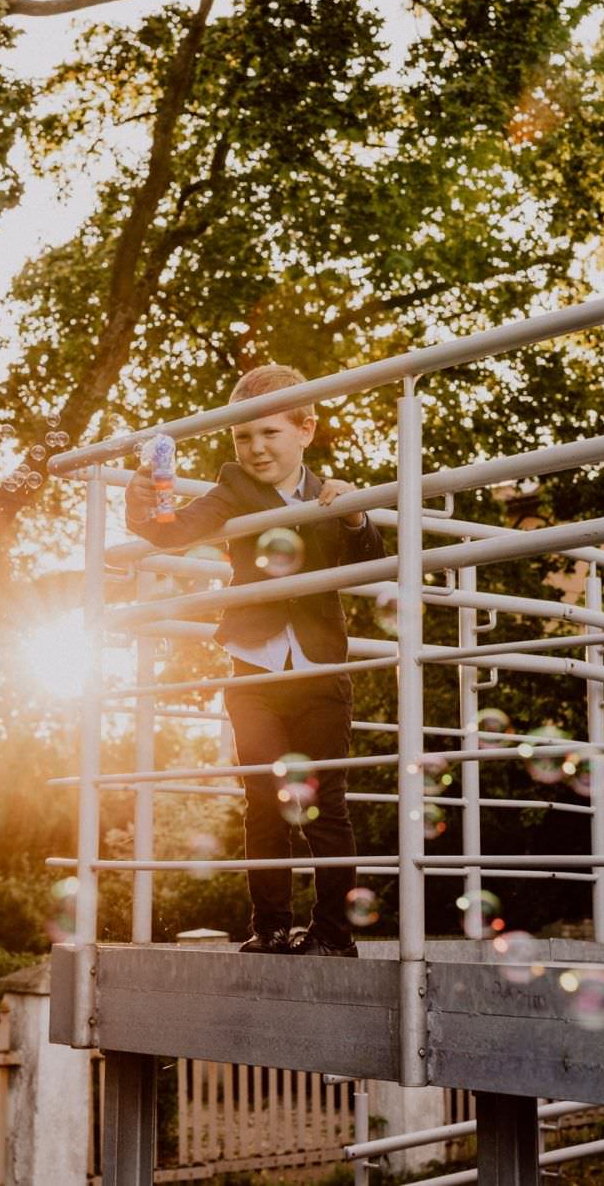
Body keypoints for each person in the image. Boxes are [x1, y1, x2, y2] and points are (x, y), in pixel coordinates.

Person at [125, 364, 385, 957]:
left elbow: (372, 556)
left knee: (324, 806)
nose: (255, 447)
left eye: (269, 433)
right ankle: (269, 925)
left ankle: (333, 933)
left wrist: (354, 514)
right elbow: (173, 532)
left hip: (320, 672)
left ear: (305, 430)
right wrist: (142, 505)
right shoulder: (232, 487)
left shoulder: (332, 493)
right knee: (264, 802)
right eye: (243, 437)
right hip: (253, 675)